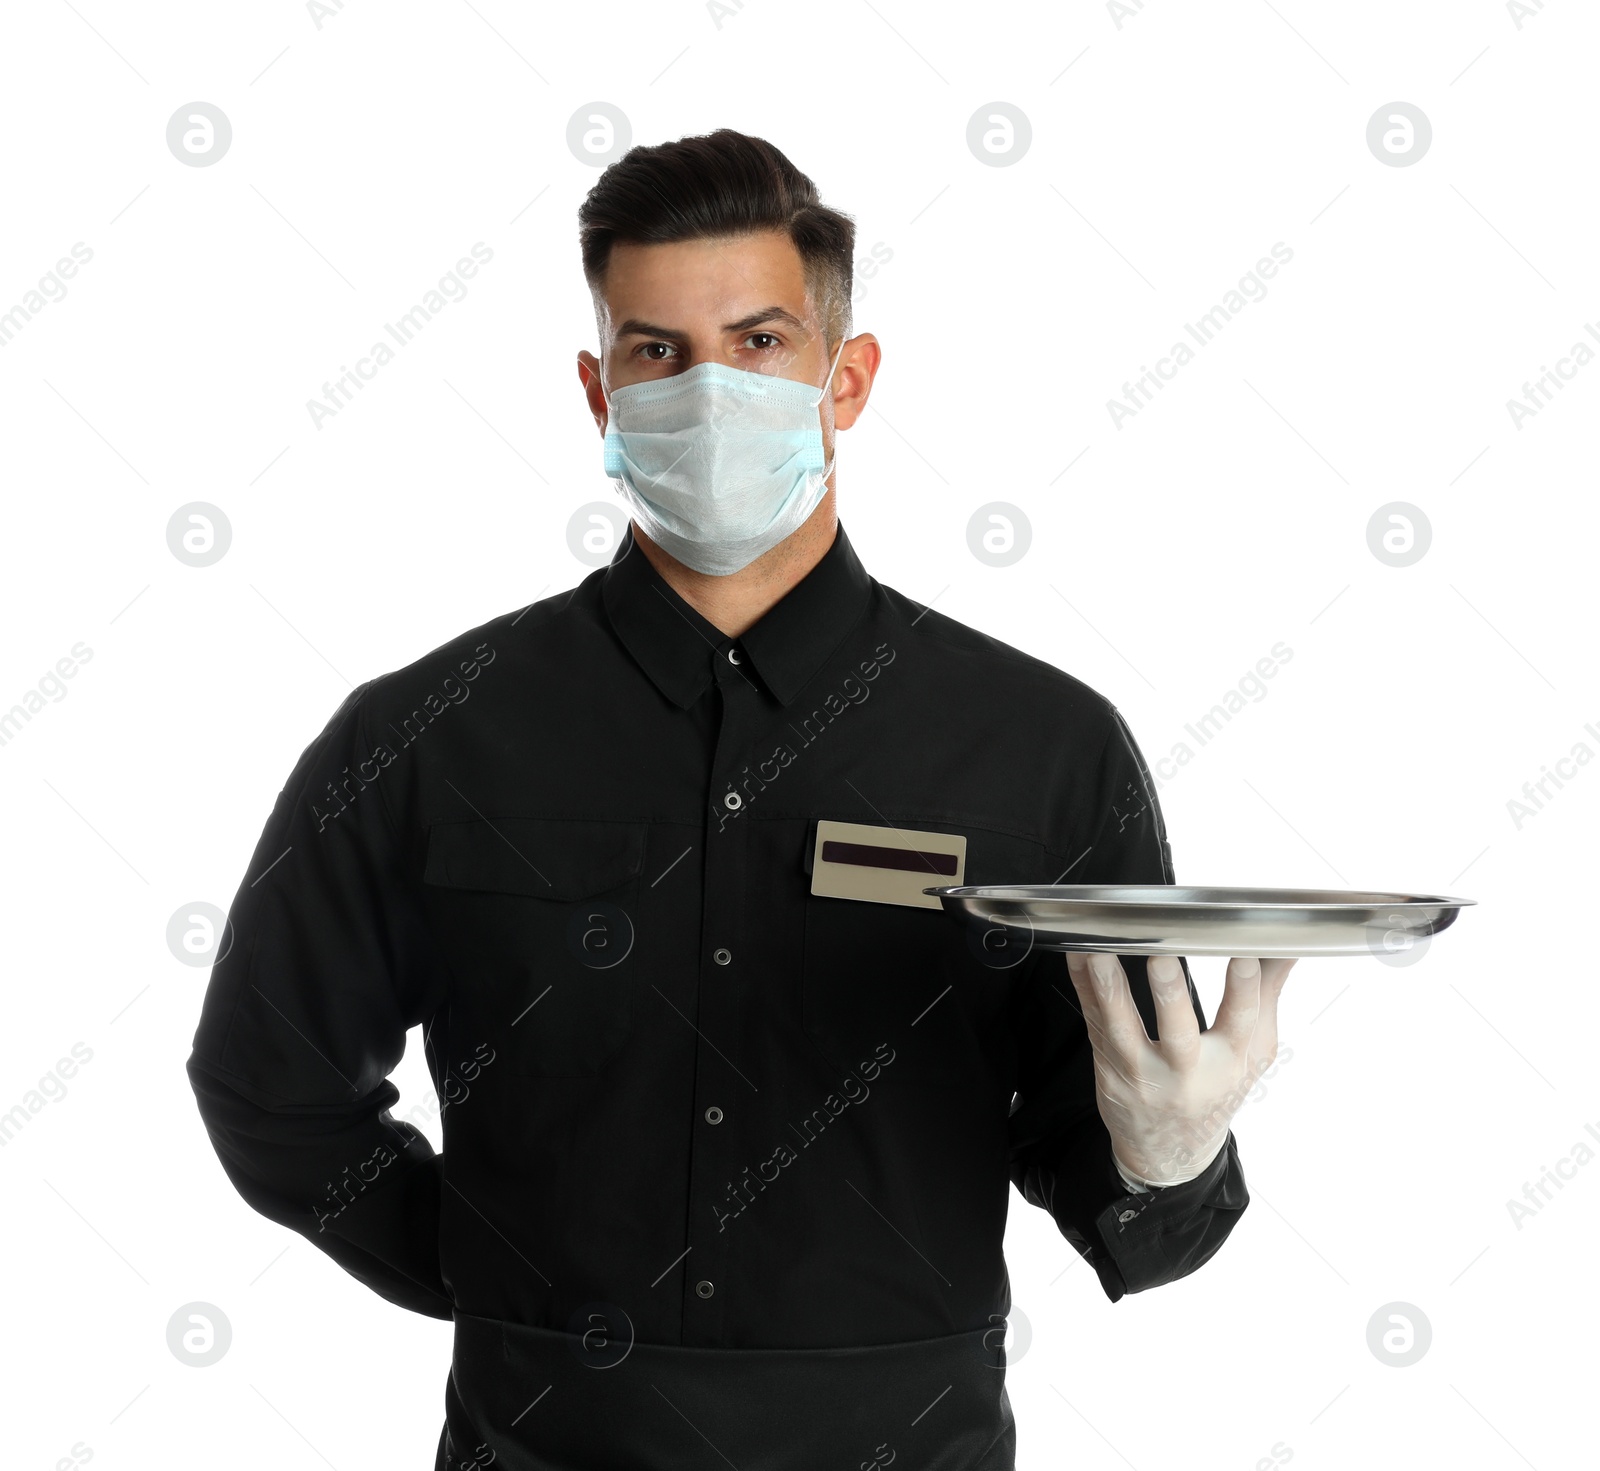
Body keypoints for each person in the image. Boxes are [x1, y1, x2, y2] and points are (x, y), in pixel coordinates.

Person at [186, 128, 1295, 1471]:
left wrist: (1173, 1163)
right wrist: (481, 1266)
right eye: (657, 352)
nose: (708, 390)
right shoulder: (428, 734)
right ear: (599, 391)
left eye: (760, 343)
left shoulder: (1040, 747)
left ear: (849, 379)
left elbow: (1117, 1161)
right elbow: (268, 1087)